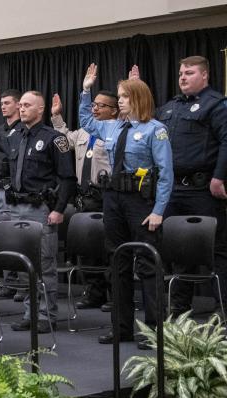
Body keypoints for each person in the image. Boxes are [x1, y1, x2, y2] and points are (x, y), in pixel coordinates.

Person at [79, 63, 173, 348]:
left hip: (140, 201)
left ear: (137, 100)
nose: (118, 100)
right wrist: (86, 90)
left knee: (146, 264)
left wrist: (158, 211)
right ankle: (122, 328)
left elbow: (166, 173)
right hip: (113, 199)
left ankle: (154, 330)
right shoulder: (112, 126)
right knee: (117, 262)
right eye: (118, 96)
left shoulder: (155, 130)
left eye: (123, 96)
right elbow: (85, 120)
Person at [0, 90, 76, 334]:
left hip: (41, 209)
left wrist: (59, 209)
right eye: (20, 105)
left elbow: (68, 178)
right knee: (23, 264)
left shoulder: (54, 139)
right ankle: (29, 313)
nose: (21, 109)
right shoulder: (14, 136)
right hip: (16, 207)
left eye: (27, 105)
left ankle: (45, 314)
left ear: (40, 109)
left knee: (44, 264)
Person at [154, 56, 227, 315]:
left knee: (216, 250)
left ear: (205, 75)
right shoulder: (170, 107)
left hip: (202, 188)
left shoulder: (216, 105)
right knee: (179, 250)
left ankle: (223, 309)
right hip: (174, 189)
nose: (183, 77)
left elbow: (226, 141)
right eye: (181, 73)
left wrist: (219, 177)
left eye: (190, 73)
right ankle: (180, 308)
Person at [51, 90, 116, 309]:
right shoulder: (83, 133)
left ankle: (115, 295)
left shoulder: (117, 131)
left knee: (109, 248)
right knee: (88, 248)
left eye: (101, 105)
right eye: (94, 105)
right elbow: (62, 140)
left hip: (106, 195)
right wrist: (57, 117)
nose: (95, 108)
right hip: (84, 197)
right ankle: (94, 293)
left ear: (114, 111)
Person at [0, 88, 25, 301]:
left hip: (14, 191)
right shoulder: (1, 129)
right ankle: (9, 281)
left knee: (17, 237)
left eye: (7, 103)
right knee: (3, 238)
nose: (3, 106)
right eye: (2, 103)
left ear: (19, 105)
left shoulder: (23, 131)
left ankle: (22, 284)